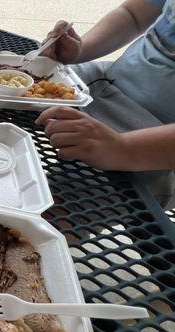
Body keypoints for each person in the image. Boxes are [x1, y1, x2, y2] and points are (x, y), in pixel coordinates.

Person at [37, 0, 175, 207]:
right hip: (106, 80)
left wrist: (123, 148)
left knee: (67, 202)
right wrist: (80, 51)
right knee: (11, 82)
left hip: (154, 141)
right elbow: (133, 15)